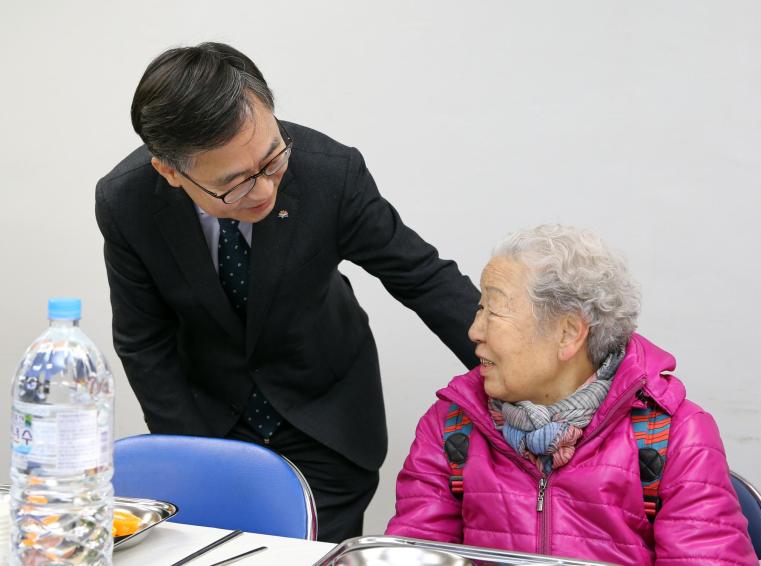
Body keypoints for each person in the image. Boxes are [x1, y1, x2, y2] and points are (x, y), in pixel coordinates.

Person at [94, 42, 479, 542]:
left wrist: (522, 374)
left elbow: (423, 277)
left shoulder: (329, 173)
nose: (264, 190)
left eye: (272, 160)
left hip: (327, 418)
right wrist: (197, 457)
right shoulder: (125, 201)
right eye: (233, 184)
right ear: (170, 170)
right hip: (209, 420)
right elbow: (144, 339)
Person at [385, 225, 756, 565]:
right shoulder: (451, 426)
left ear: (568, 333)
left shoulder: (675, 436)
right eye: (479, 309)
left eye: (493, 312)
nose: (474, 331)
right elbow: (413, 554)